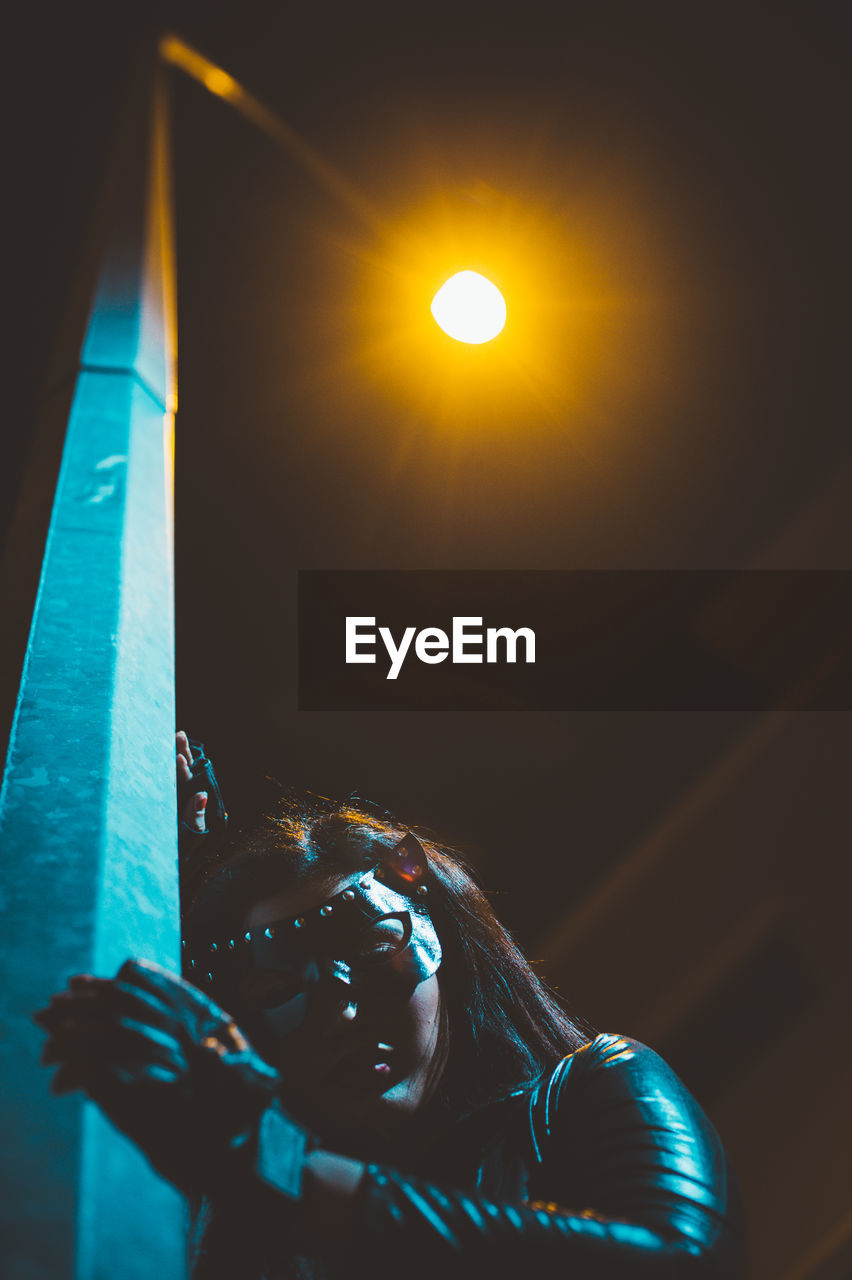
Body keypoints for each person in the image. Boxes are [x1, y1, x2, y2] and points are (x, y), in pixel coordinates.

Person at [36, 734, 746, 1279]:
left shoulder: (590, 1089)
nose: (341, 1013)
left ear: (448, 948)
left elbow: (676, 1261)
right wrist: (138, 873)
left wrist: (282, 1168)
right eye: (277, 986)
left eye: (374, 945)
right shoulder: (251, 1234)